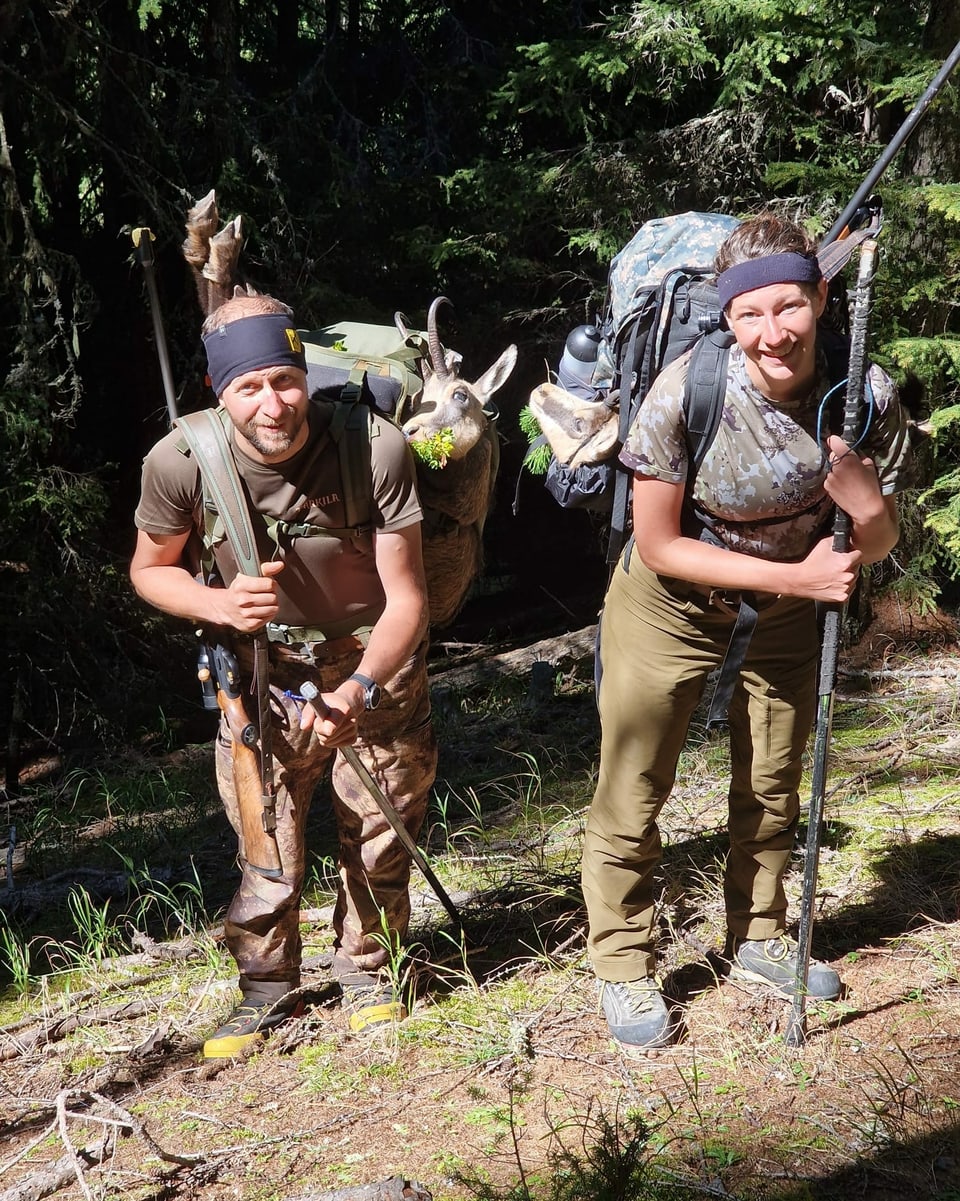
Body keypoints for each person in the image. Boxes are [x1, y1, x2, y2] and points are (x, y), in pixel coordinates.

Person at [580, 212, 912, 1051]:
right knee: (635, 784)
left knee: (771, 779)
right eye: (750, 314)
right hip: (668, 605)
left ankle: (759, 934)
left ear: (821, 297)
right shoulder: (688, 390)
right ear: (726, 319)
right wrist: (795, 577)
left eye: (790, 307)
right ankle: (622, 962)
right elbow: (658, 542)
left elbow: (876, 540)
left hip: (786, 616)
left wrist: (868, 509)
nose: (774, 333)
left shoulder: (861, 394)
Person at [131, 292, 438, 1058]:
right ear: (218, 390)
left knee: (377, 828)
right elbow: (148, 570)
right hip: (259, 671)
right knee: (265, 837)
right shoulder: (179, 462)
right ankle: (267, 988)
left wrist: (357, 688)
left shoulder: (376, 447)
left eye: (285, 379)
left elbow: (410, 598)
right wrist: (218, 601)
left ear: (304, 372)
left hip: (373, 662)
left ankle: (371, 970)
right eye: (249, 387)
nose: (274, 403)